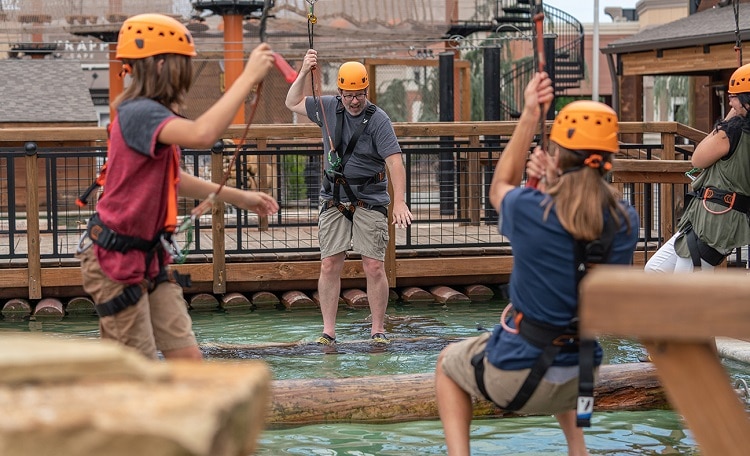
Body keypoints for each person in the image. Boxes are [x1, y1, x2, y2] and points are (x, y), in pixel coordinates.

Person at [434, 72, 640, 456]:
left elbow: (499, 189)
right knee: (566, 332)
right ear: (607, 159)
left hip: (520, 375)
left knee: (447, 362)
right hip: (582, 376)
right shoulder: (626, 220)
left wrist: (530, 113)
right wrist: (553, 182)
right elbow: (580, 225)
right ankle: (579, 450)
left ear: (558, 154)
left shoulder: (533, 210)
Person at [76, 13, 279, 360]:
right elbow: (202, 134)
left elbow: (174, 179)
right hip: (115, 261)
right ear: (159, 65)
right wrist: (248, 77)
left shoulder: (151, 113)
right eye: (182, 65)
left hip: (149, 257)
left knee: (188, 363)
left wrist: (238, 197)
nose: (185, 75)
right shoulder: (140, 113)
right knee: (137, 375)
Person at [285, 49, 413, 346]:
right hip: (334, 196)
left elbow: (395, 160)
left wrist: (400, 202)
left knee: (374, 265)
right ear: (339, 91)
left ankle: (377, 330)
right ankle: (328, 331)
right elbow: (291, 102)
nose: (354, 101)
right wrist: (304, 71)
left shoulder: (378, 119)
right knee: (330, 263)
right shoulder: (327, 107)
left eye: (359, 95)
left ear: (366, 91)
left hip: (370, 197)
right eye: (348, 95)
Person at [645, 62, 750, 273]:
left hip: (714, 218)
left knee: (686, 290)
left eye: (734, 96)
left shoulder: (732, 132)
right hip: (711, 217)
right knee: (655, 269)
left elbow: (698, 159)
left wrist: (728, 119)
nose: (729, 101)